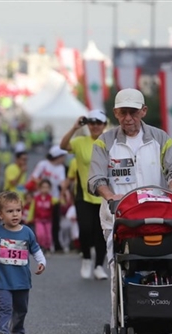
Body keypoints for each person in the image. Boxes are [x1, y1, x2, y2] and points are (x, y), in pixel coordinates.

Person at [87, 88, 172, 326]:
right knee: (117, 271)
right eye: (123, 113)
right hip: (119, 219)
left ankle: (165, 314)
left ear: (143, 111)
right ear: (115, 113)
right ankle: (119, 323)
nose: (128, 118)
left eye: (133, 112)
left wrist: (171, 196)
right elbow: (96, 179)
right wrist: (111, 197)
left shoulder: (160, 138)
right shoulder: (104, 142)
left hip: (160, 219)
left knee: (166, 265)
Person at [0, 191, 46, 334]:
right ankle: (2, 333)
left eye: (18, 210)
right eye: (10, 211)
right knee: (4, 308)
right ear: (0, 215)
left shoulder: (27, 232)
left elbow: (35, 249)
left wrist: (42, 261)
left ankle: (17, 331)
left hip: (22, 281)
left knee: (21, 309)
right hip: (2, 281)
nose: (15, 214)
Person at [60, 109, 109, 280]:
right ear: (88, 124)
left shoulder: (111, 142)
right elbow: (63, 146)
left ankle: (99, 266)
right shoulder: (80, 142)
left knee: (102, 232)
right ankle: (87, 259)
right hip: (84, 194)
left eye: (99, 123)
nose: (95, 126)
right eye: (92, 122)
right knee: (86, 229)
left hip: (106, 195)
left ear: (104, 125)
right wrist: (74, 128)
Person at [29, 145, 67, 252]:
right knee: (39, 221)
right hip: (41, 198)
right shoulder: (43, 164)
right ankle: (39, 243)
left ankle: (55, 244)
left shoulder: (61, 168)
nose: (63, 159)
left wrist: (63, 193)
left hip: (53, 199)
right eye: (62, 156)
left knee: (55, 222)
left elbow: (62, 182)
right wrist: (44, 186)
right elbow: (34, 177)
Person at [27, 179, 56, 252]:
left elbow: (60, 202)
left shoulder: (51, 199)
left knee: (48, 236)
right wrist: (29, 218)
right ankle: (42, 246)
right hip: (38, 220)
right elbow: (32, 209)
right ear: (39, 188)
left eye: (47, 187)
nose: (45, 189)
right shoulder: (36, 199)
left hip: (48, 220)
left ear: (50, 188)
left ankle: (47, 247)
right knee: (40, 234)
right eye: (43, 187)